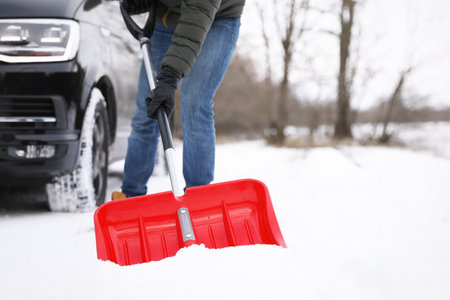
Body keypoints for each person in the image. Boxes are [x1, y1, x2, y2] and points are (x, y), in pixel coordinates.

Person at [112, 0, 245, 199]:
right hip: (166, 15)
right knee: (148, 107)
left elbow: (198, 14)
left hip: (216, 18)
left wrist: (170, 77)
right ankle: (131, 195)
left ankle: (198, 197)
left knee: (195, 103)